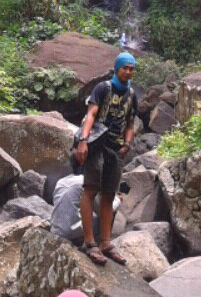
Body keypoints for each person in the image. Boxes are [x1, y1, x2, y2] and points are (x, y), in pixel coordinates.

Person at [73, 51, 137, 266]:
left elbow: (130, 124)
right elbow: (91, 114)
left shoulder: (132, 95)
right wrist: (83, 140)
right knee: (90, 189)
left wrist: (127, 144)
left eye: (131, 68)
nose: (127, 72)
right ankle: (89, 242)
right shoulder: (102, 88)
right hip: (97, 145)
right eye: (124, 67)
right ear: (117, 68)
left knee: (109, 193)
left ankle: (105, 243)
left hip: (116, 149)